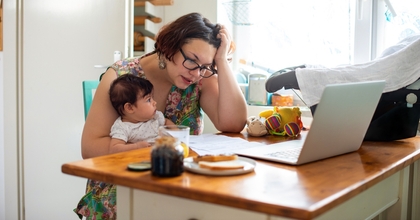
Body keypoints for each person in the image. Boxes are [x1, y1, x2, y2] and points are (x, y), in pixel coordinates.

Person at [75, 13, 248, 219]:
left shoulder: (199, 77)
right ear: (169, 46)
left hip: (179, 182)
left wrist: (222, 62)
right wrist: (147, 150)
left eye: (205, 66)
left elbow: (234, 123)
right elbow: (90, 147)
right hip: (124, 184)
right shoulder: (121, 77)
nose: (196, 73)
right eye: (192, 60)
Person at [109, 74, 174, 150]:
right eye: (148, 100)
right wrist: (136, 146)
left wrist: (178, 134)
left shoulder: (155, 116)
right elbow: (114, 149)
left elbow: (166, 122)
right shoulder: (123, 127)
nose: (155, 102)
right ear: (130, 108)